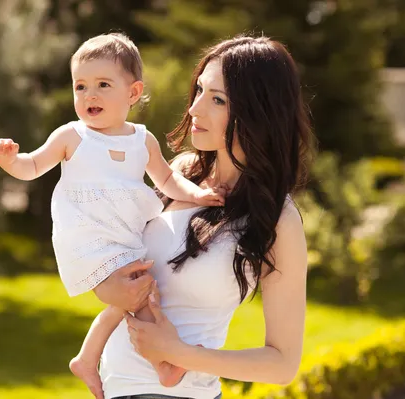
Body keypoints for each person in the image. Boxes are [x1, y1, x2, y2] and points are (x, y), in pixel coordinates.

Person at [0, 33, 226, 398]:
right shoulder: (73, 136)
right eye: (80, 86)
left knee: (138, 295)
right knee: (139, 293)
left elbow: (167, 178)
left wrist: (198, 194)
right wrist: (11, 161)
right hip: (88, 235)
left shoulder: (141, 140)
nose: (90, 95)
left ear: (132, 93)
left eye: (102, 85)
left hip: (125, 233)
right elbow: (33, 165)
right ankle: (164, 360)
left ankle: (89, 357)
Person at [94, 34, 314, 399]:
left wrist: (179, 354)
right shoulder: (180, 173)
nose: (195, 109)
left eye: (217, 99)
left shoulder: (278, 218)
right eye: (198, 90)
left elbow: (283, 363)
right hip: (116, 387)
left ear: (258, 110)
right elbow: (121, 256)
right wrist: (108, 287)